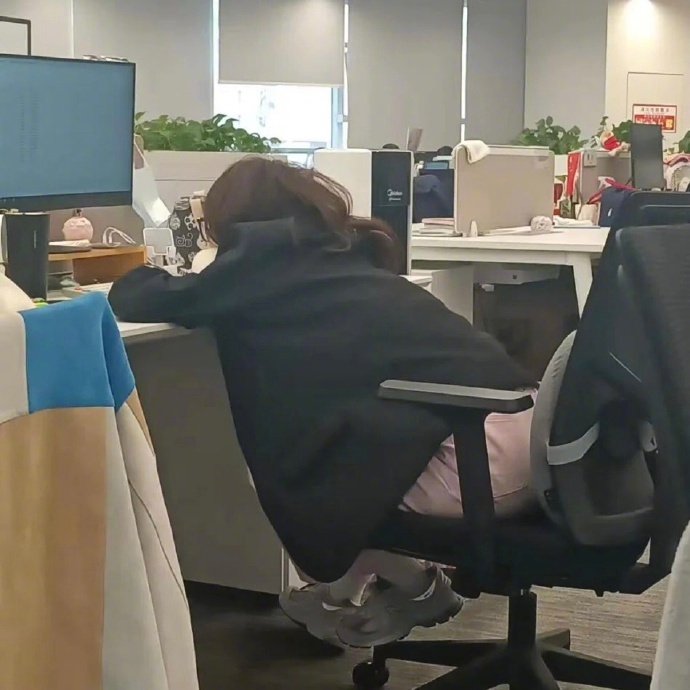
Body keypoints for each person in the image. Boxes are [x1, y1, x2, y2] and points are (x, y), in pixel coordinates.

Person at [108, 157, 536, 649]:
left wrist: (198, 265)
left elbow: (137, 295)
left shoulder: (255, 268)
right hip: (526, 434)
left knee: (302, 479)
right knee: (326, 448)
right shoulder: (345, 254)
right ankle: (337, 596)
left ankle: (420, 589)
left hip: (479, 465)